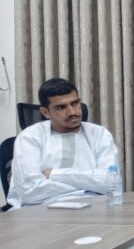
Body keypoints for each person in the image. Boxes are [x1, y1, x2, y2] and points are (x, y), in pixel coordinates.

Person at [7, 78, 119, 208]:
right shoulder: (30, 137)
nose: (72, 112)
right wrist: (90, 185)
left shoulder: (99, 134)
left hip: (92, 207)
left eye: (75, 103)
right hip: (40, 210)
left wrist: (53, 174)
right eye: (61, 107)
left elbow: (110, 183)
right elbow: (30, 191)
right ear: (46, 112)